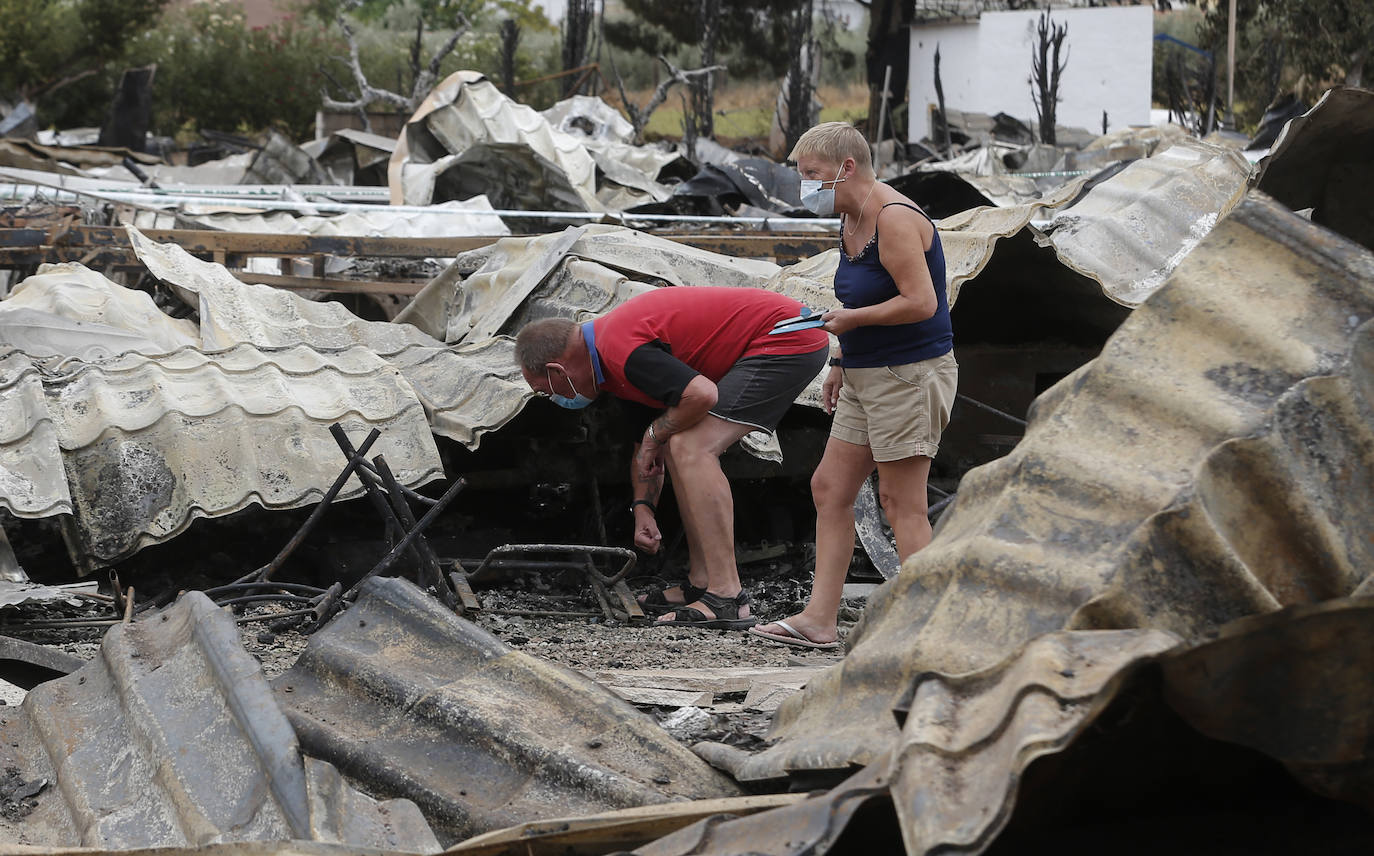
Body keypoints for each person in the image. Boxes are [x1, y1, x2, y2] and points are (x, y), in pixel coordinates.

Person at [749, 122, 958, 650]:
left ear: (846, 168)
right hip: (865, 372)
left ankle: (926, 630)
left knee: (899, 502)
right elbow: (857, 299)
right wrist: (841, 358)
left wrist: (853, 324)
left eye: (812, 174)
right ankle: (819, 621)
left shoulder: (895, 219)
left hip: (908, 375)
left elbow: (923, 303)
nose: (807, 186)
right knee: (830, 488)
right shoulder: (850, 218)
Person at [513, 286, 828, 629]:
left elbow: (701, 394)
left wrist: (655, 435)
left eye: (546, 391)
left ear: (558, 370)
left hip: (787, 337)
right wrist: (642, 509)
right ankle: (702, 581)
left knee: (691, 447)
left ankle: (726, 596)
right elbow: (644, 446)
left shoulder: (620, 349)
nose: (554, 398)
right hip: (777, 336)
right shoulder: (609, 365)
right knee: (678, 442)